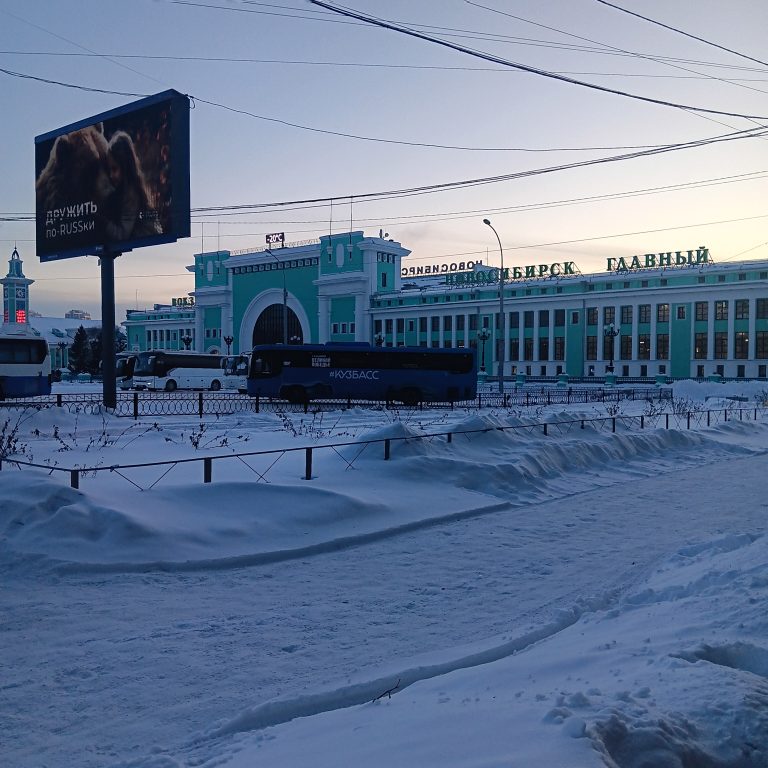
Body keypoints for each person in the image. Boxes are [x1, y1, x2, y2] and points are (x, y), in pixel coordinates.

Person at [104, 130, 162, 241]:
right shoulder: (124, 190)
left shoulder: (131, 194)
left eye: (115, 169)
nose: (111, 175)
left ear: (126, 166)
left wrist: (102, 222)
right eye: (109, 170)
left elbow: (121, 235)